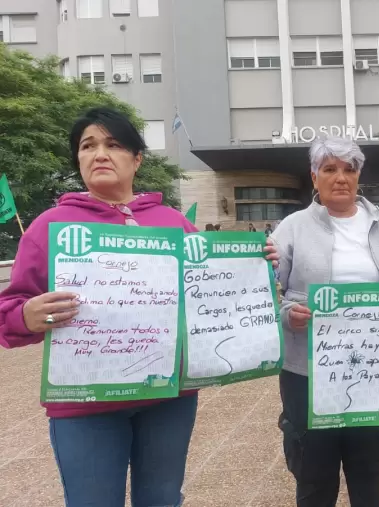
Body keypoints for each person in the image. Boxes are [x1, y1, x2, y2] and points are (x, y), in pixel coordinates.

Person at [0, 107, 279, 506]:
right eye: (87, 146)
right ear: (77, 159)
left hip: (168, 399)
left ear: (137, 159)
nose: (99, 154)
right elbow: (8, 309)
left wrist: (252, 265)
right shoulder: (50, 226)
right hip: (86, 403)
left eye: (113, 145)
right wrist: (27, 315)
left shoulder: (172, 222)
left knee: (163, 499)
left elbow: (208, 293)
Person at [272, 135, 379, 507]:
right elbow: (265, 294)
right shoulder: (291, 227)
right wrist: (287, 315)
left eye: (348, 169)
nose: (340, 177)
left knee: (368, 471)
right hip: (307, 371)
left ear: (359, 175)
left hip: (373, 368)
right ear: (314, 176)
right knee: (314, 476)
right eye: (329, 169)